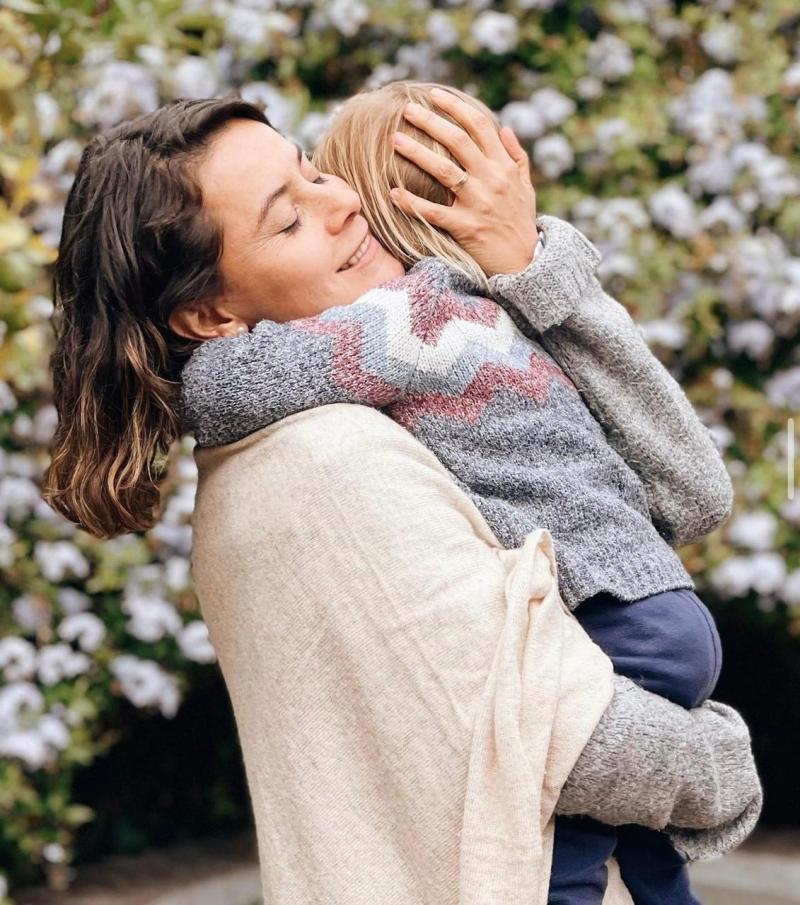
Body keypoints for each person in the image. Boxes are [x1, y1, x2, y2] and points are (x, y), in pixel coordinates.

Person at [42, 91, 761, 904]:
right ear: (209, 313)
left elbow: (687, 489)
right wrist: (723, 767)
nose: (346, 201)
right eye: (289, 220)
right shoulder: (323, 458)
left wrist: (531, 266)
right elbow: (546, 734)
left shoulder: (388, 395)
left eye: (313, 171)